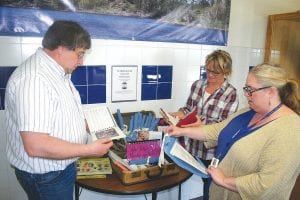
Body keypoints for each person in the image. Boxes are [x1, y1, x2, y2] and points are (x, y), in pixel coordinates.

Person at [5, 20, 113, 200]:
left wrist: (88, 125)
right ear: (61, 48)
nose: (82, 61)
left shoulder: (57, 71)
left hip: (59, 168)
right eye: (79, 54)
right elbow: (36, 145)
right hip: (46, 175)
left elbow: (59, 113)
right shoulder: (35, 80)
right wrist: (89, 150)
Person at [166, 63, 300, 200]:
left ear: (271, 92)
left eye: (250, 90)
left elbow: (267, 185)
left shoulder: (291, 129)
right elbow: (216, 131)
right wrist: (180, 131)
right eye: (246, 88)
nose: (246, 94)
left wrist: (224, 180)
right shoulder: (249, 111)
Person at [170, 49, 239, 199]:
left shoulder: (230, 94)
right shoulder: (198, 85)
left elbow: (226, 126)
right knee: (198, 183)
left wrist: (202, 123)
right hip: (192, 146)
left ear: (226, 72)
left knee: (210, 189)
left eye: (216, 72)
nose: (211, 75)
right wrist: (178, 114)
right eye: (208, 70)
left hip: (212, 151)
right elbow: (188, 109)